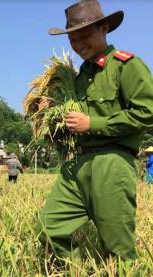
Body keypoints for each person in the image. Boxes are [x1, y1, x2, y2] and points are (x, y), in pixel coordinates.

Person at [36, 0, 153, 261]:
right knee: (49, 228)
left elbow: (147, 113)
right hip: (76, 165)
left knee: (117, 247)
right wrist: (51, 110)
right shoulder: (78, 79)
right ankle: (75, 269)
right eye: (73, 40)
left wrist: (93, 124)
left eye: (84, 36)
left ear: (105, 28)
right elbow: (69, 121)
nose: (78, 45)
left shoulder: (126, 66)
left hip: (112, 162)